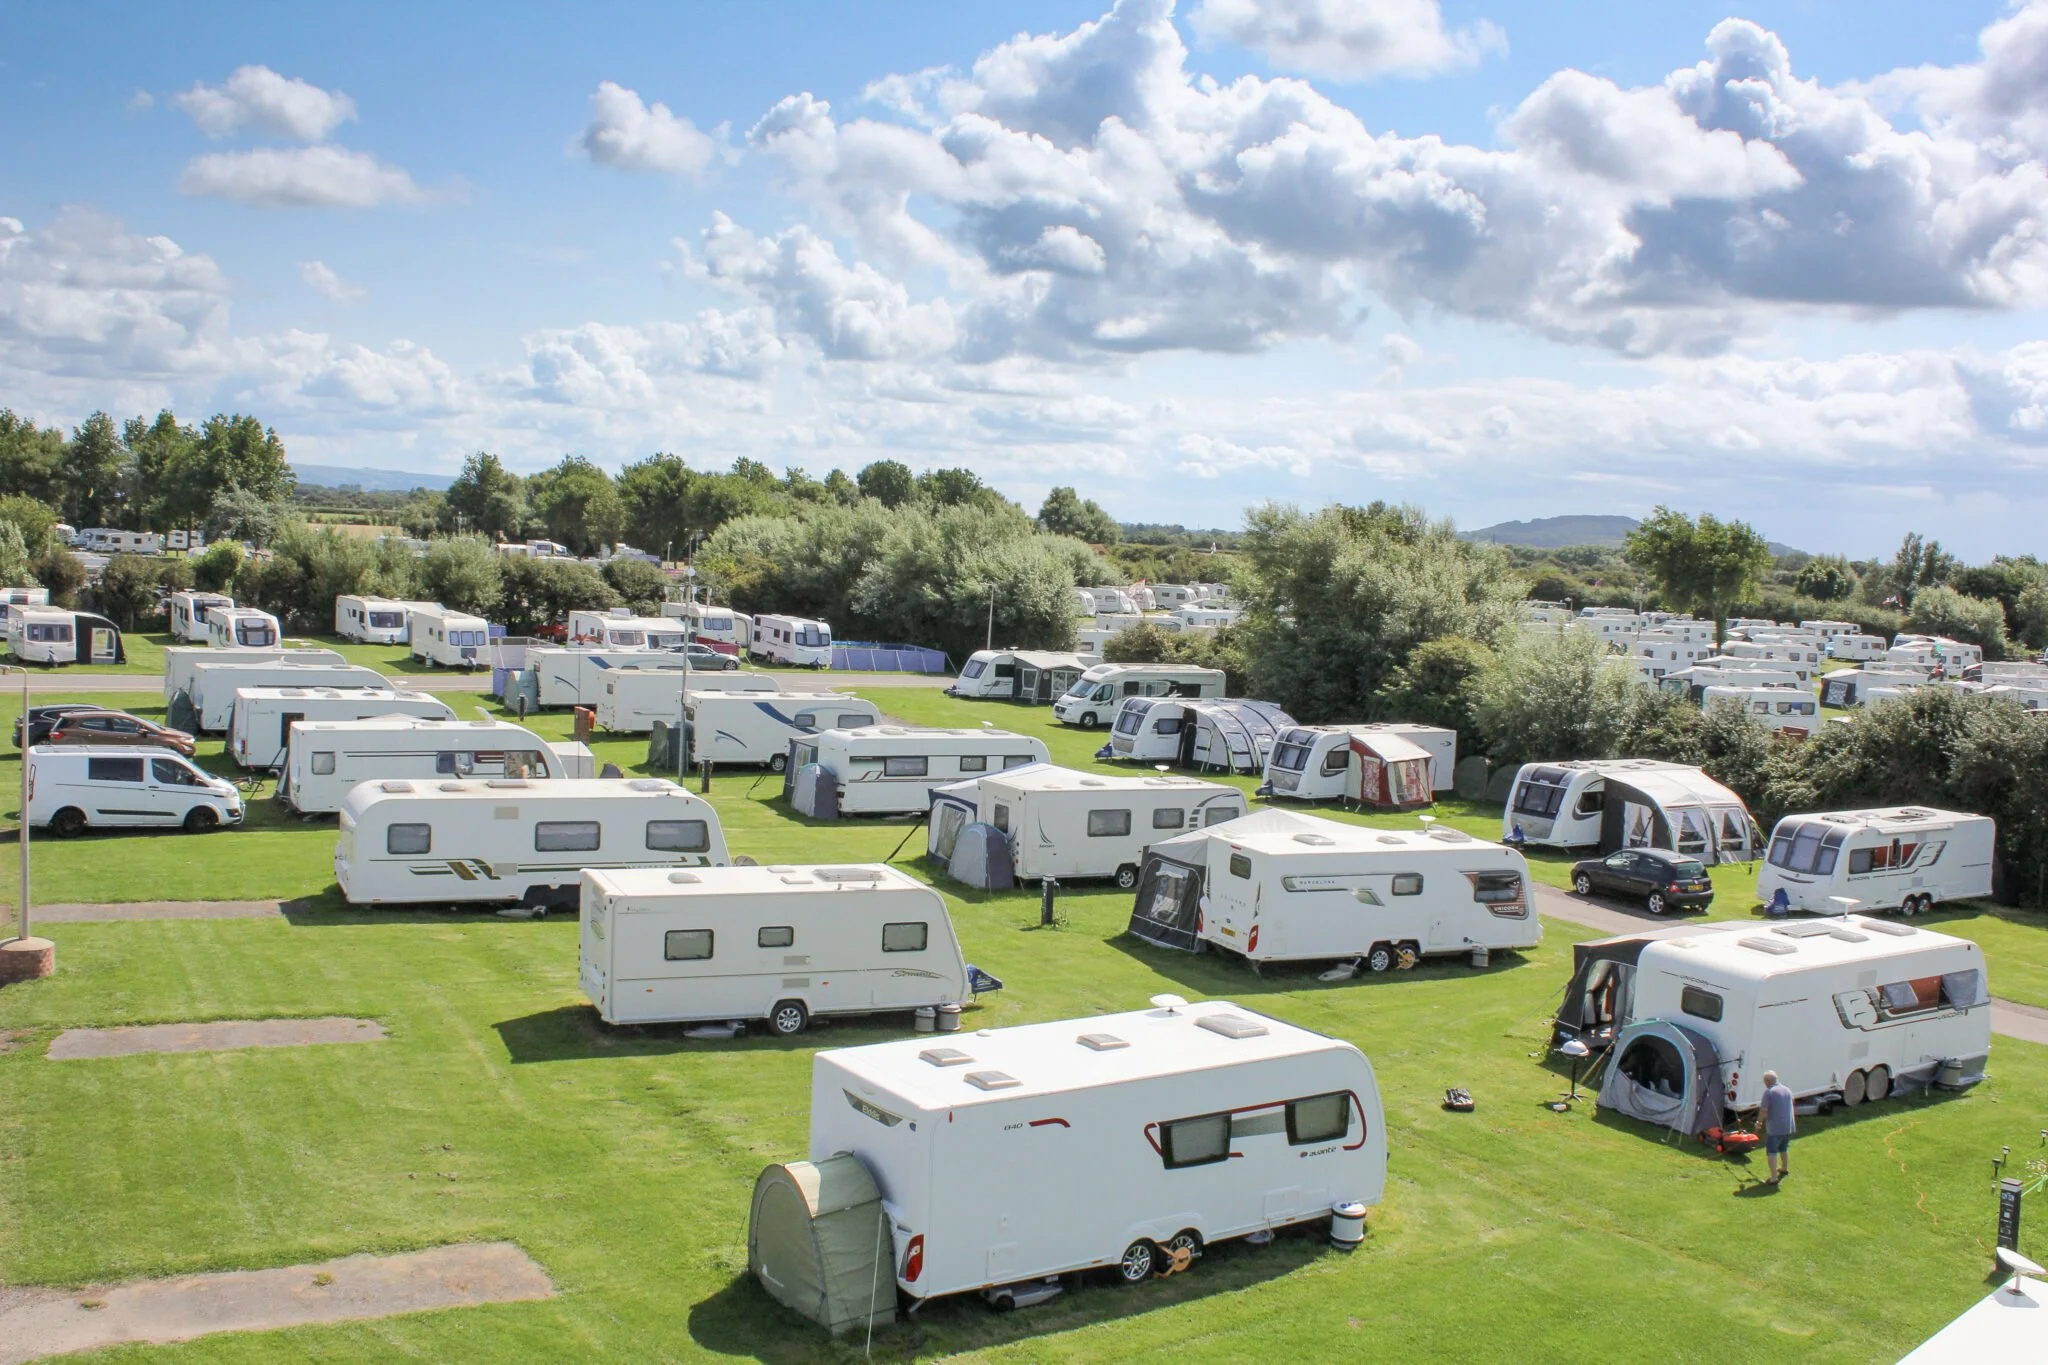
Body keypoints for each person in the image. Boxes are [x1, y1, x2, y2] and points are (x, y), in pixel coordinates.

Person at [1760, 1070, 1795, 1184]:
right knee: (1784, 1149)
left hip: (1775, 1128)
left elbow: (1764, 1111)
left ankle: (1774, 1178)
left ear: (1768, 1081)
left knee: (1772, 1152)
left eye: (1765, 1081)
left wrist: (1758, 1122)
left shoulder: (1769, 1092)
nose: (1765, 1083)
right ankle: (1784, 1168)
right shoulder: (1787, 1090)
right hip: (1788, 1126)